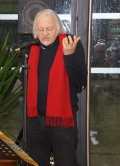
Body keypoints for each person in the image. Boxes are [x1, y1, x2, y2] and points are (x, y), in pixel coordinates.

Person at [26, 9, 87, 166]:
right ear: (35, 32)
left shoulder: (70, 43)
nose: (45, 33)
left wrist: (69, 56)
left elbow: (80, 80)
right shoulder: (31, 49)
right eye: (40, 29)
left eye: (49, 28)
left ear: (58, 28)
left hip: (62, 122)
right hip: (35, 121)